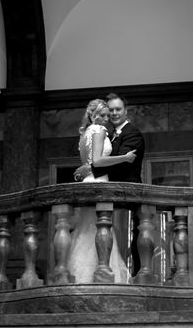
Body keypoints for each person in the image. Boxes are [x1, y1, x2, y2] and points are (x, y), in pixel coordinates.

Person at [67, 99, 135, 283]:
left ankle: (80, 274)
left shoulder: (84, 134)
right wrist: (124, 158)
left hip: (88, 180)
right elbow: (96, 162)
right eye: (102, 114)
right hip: (98, 180)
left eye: (107, 115)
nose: (106, 118)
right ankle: (101, 272)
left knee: (87, 228)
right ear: (92, 115)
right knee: (100, 226)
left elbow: (87, 164)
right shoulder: (99, 130)